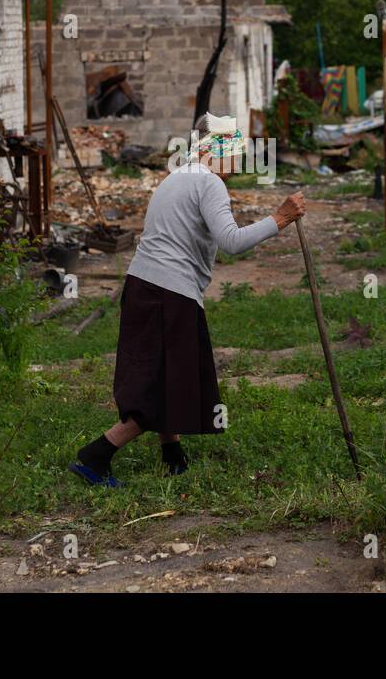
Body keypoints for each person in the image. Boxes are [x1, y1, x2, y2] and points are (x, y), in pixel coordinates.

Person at [69, 112, 307, 486]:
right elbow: (231, 241)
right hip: (169, 294)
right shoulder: (209, 183)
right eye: (235, 151)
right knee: (160, 383)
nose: (238, 160)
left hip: (146, 287)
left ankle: (173, 456)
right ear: (218, 149)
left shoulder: (178, 177)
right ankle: (96, 456)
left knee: (168, 375)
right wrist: (280, 219)